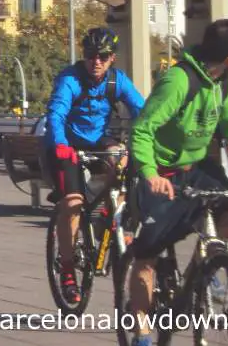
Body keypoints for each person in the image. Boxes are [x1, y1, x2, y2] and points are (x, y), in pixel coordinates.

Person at [126, 19, 228, 346]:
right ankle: (142, 330)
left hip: (196, 166)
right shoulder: (179, 80)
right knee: (146, 257)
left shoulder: (226, 81)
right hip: (161, 173)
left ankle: (209, 262)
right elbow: (142, 130)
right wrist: (149, 173)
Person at [45, 27, 145, 306]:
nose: (96, 61)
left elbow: (144, 111)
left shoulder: (117, 81)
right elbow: (56, 112)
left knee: (124, 160)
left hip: (98, 140)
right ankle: (66, 270)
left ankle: (108, 215)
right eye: (91, 55)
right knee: (73, 203)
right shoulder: (70, 79)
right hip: (66, 144)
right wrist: (61, 145)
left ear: (112, 57)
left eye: (102, 56)